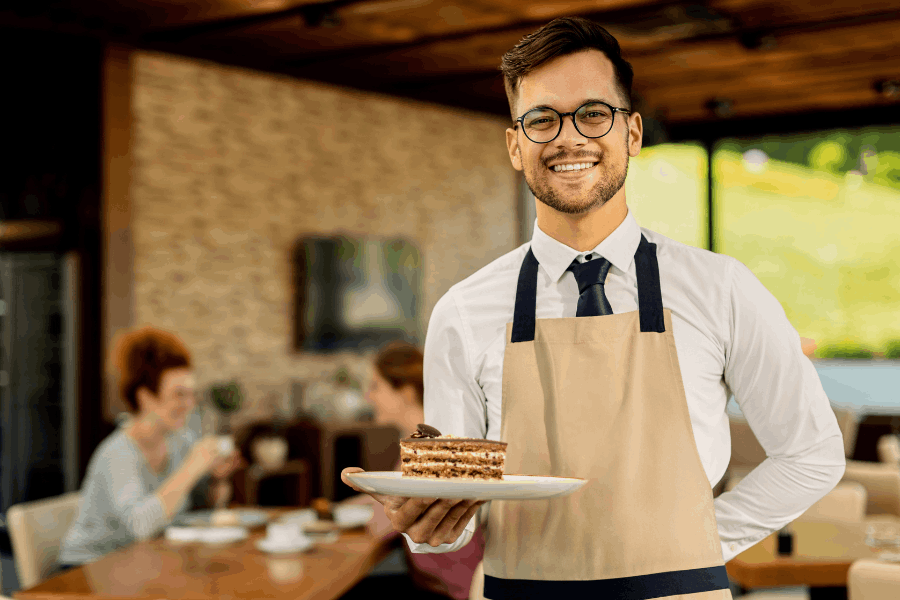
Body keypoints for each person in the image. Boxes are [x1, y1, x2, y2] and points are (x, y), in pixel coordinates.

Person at [342, 16, 846, 600]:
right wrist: (426, 529)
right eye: (541, 119)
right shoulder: (463, 311)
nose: (568, 137)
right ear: (515, 144)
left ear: (631, 133)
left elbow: (811, 453)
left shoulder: (722, 288)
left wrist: (700, 541)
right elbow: (452, 517)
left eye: (593, 113)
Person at [57, 325, 243, 568]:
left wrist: (217, 479)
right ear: (145, 397)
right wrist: (192, 468)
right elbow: (142, 527)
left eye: (191, 394)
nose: (189, 404)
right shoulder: (117, 453)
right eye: (179, 395)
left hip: (141, 564)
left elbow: (198, 508)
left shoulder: (180, 441)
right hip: (89, 570)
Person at [341, 341, 484, 600]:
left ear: (406, 392)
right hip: (435, 583)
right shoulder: (432, 435)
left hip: (449, 592)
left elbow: (379, 526)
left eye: (376, 386)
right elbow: (395, 495)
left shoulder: (428, 450)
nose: (368, 397)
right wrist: (341, 507)